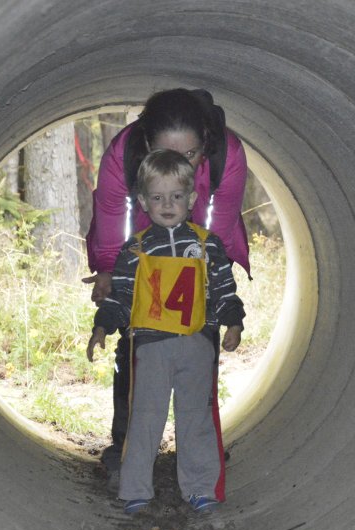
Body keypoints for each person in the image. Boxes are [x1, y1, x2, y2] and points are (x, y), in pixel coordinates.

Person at [84, 88, 249, 479]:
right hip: (146, 248)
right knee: (136, 347)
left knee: (200, 347)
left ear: (205, 142)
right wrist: (110, 269)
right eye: (165, 152)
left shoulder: (227, 154)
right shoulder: (123, 154)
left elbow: (221, 224)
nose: (179, 162)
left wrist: (211, 282)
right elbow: (111, 213)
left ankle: (201, 447)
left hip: (198, 247)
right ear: (146, 145)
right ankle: (126, 444)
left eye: (190, 154)